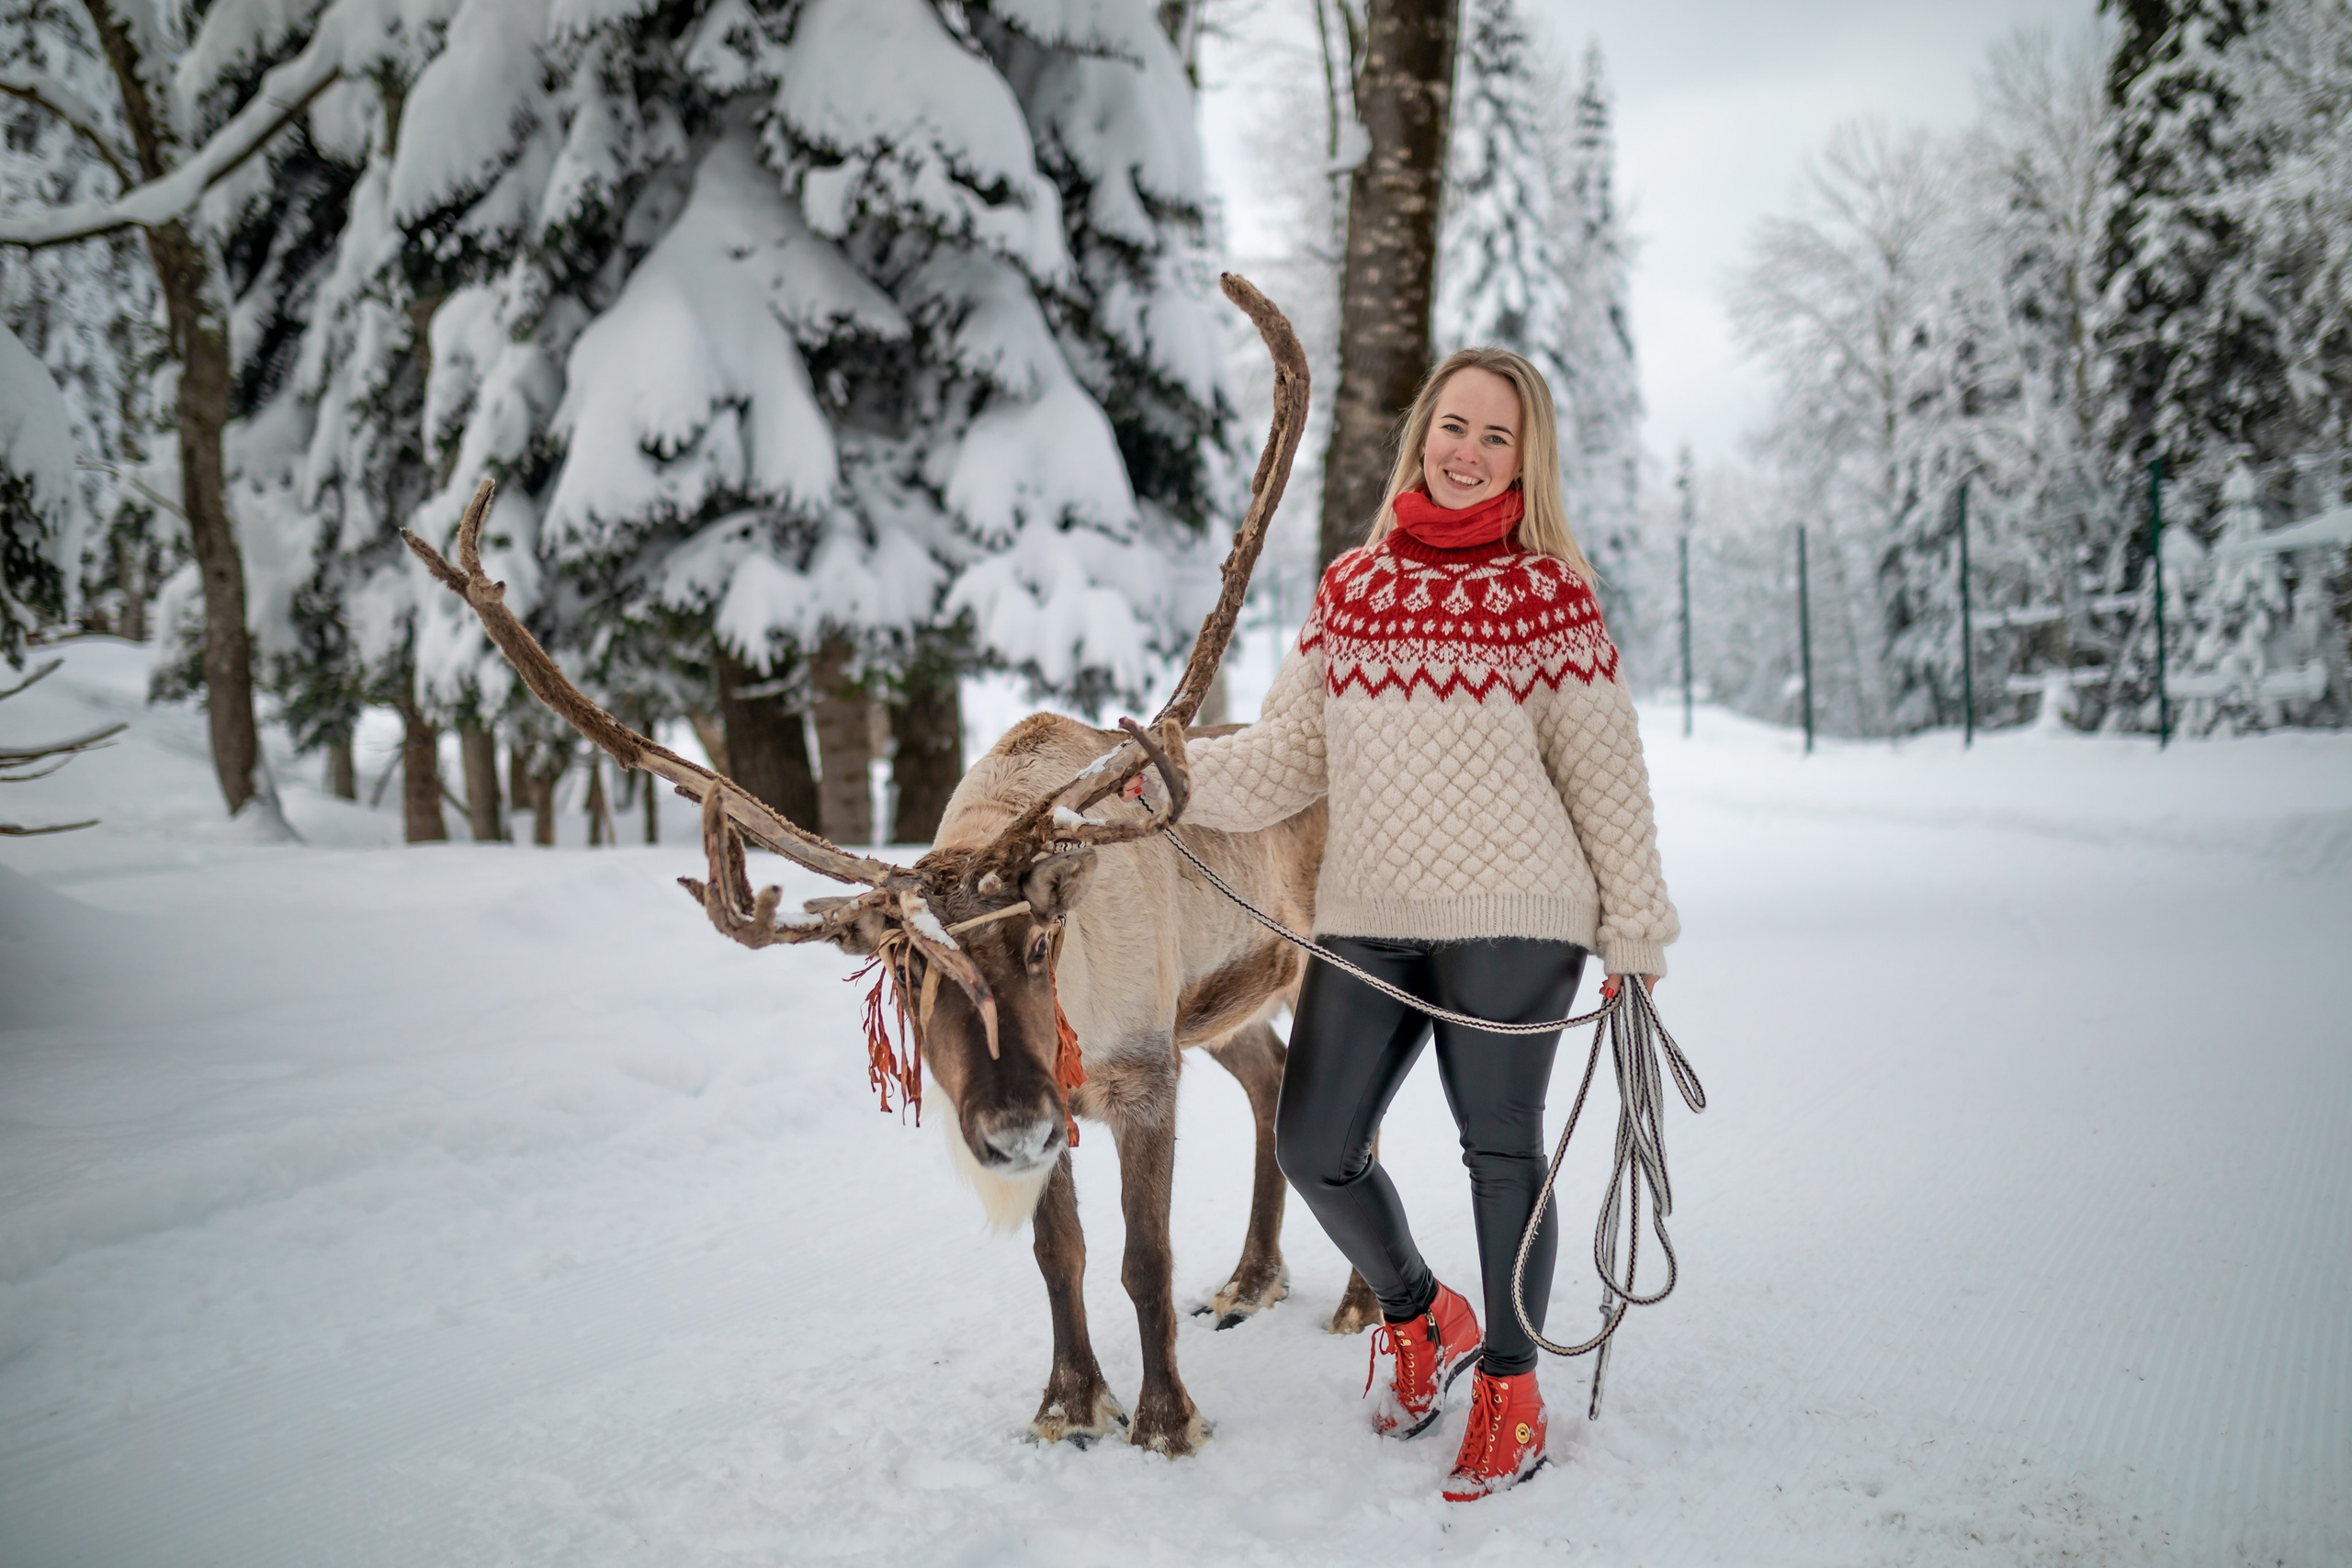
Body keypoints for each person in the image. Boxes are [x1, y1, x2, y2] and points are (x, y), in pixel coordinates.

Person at [1176, 348, 1677, 1500]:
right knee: (1313, 1144)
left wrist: (1635, 930)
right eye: (1454, 426)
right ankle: (1420, 1312)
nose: (1468, 451)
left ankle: (1510, 1387)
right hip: (1370, 913)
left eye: (1496, 437)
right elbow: (1287, 761)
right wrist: (1169, 780)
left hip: (1519, 913)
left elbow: (1605, 776)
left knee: (1500, 1150)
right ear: (1421, 433)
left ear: (1525, 458)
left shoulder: (1546, 593)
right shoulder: (1352, 586)